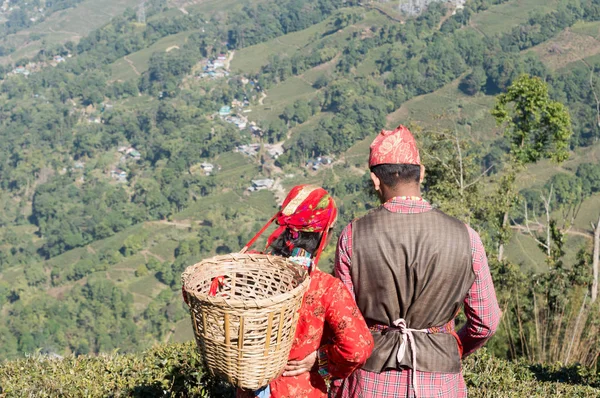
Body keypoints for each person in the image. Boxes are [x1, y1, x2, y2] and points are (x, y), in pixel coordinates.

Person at [332, 125, 501, 398]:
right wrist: (451, 344)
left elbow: (343, 323)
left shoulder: (354, 235)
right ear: (421, 173)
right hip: (441, 384)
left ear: (376, 181)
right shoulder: (466, 237)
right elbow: (487, 322)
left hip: (372, 381)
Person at [237, 185, 374, 398]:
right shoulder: (325, 287)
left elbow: (206, 289)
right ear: (323, 236)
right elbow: (358, 347)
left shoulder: (252, 269)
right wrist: (320, 360)